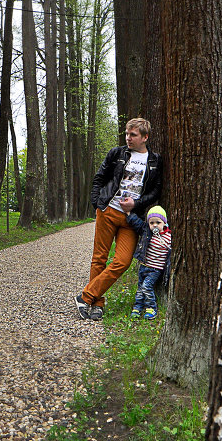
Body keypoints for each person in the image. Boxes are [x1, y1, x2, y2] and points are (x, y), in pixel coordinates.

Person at [75, 118, 163, 321]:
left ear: (145, 137)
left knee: (122, 262)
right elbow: (100, 178)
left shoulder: (154, 161)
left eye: (133, 135)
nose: (128, 138)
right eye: (127, 134)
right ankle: (96, 304)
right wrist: (97, 204)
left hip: (131, 219)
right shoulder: (117, 153)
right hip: (108, 211)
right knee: (99, 258)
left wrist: (136, 204)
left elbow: (155, 191)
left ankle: (86, 296)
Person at [124, 205, 171, 320]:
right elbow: (137, 223)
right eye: (151, 223)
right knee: (140, 288)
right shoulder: (147, 232)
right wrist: (129, 214)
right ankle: (137, 307)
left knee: (146, 286)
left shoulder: (168, 236)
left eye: (158, 222)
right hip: (144, 266)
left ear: (164, 223)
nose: (154, 225)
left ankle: (151, 308)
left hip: (155, 269)